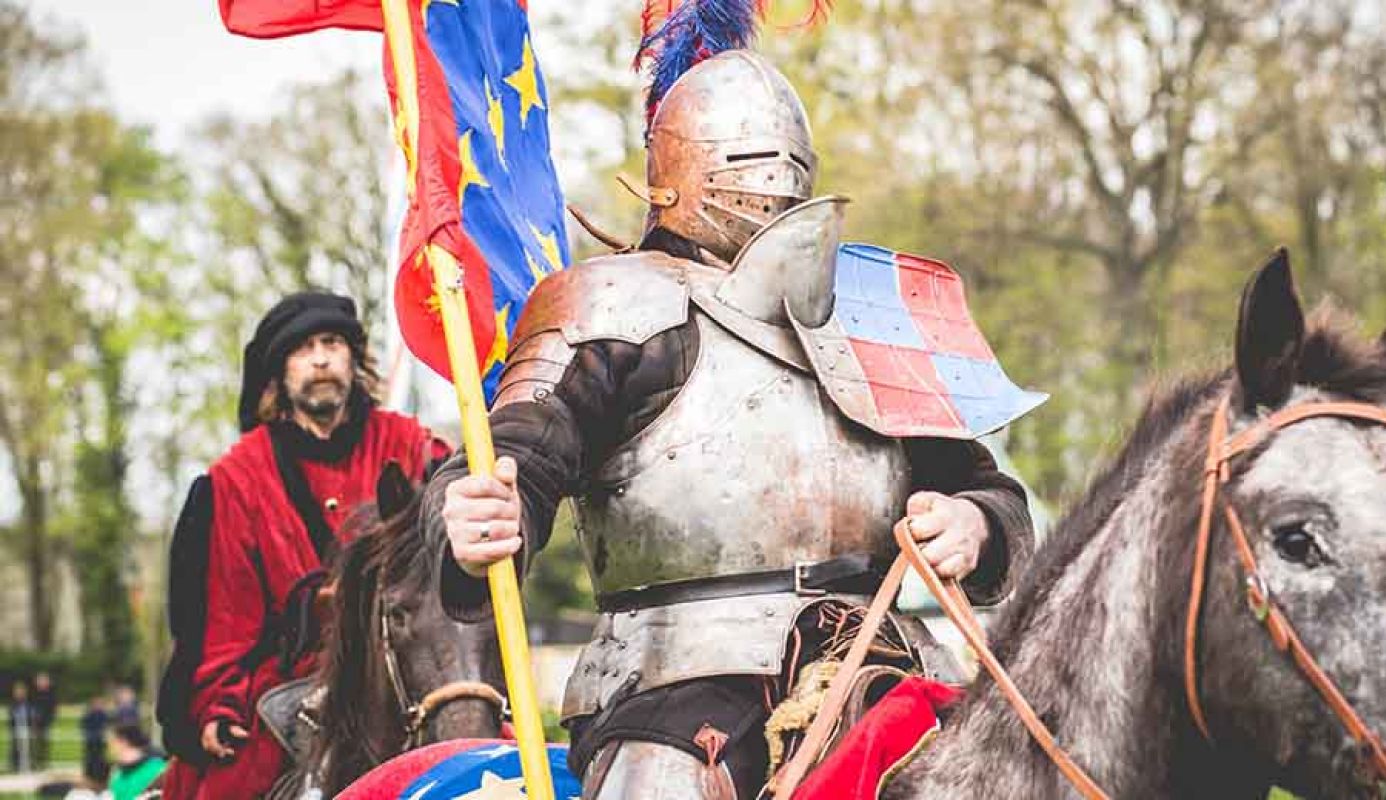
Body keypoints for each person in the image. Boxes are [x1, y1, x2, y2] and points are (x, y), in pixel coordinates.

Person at [427, 50, 1037, 799]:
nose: (770, 179)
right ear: (672, 175)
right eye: (745, 159)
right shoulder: (611, 304)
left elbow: (988, 489)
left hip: (889, 666)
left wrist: (972, 522)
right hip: (676, 686)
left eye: (785, 160)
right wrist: (482, 511)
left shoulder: (869, 316)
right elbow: (514, 454)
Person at [158, 292, 449, 800]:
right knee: (230, 783)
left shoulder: (413, 447)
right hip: (290, 678)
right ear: (279, 374)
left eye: (333, 343)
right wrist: (218, 705)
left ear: (353, 360)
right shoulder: (235, 480)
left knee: (495, 764)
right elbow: (222, 617)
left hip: (407, 667)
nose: (320, 358)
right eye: (303, 348)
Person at [106, 724, 166, 800]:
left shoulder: (158, 769)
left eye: (111, 742)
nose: (108, 747)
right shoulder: (116, 775)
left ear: (123, 741)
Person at [81, 695, 111, 787]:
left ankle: (98, 776)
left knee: (99, 758)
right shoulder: (89, 714)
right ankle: (89, 775)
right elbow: (84, 726)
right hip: (91, 740)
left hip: (99, 740)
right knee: (90, 758)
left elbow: (108, 724)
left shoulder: (103, 714)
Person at [31, 673, 56, 768]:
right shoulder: (33, 694)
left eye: (44, 681)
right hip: (34, 723)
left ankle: (44, 762)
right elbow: (31, 707)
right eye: (40, 681)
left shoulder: (51, 694)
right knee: (33, 743)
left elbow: (53, 708)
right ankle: (34, 762)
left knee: (44, 743)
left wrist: (49, 720)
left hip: (46, 723)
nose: (42, 683)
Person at [8, 681, 32, 773]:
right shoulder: (13, 703)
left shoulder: (27, 702)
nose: (19, 693)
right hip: (16, 728)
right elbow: (11, 715)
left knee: (26, 749)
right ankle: (15, 766)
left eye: (21, 691)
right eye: (18, 691)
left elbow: (29, 714)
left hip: (25, 727)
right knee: (15, 748)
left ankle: (25, 766)